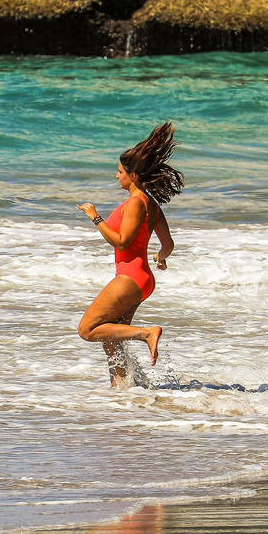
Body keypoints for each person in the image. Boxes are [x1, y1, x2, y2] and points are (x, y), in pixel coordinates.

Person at [76, 122, 182, 387]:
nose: (116, 176)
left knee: (87, 330)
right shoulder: (152, 205)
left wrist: (95, 217)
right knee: (110, 337)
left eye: (120, 171)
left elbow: (122, 243)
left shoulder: (135, 203)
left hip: (130, 278)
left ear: (133, 175)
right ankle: (123, 389)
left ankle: (147, 333)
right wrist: (161, 258)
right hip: (143, 278)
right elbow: (168, 244)